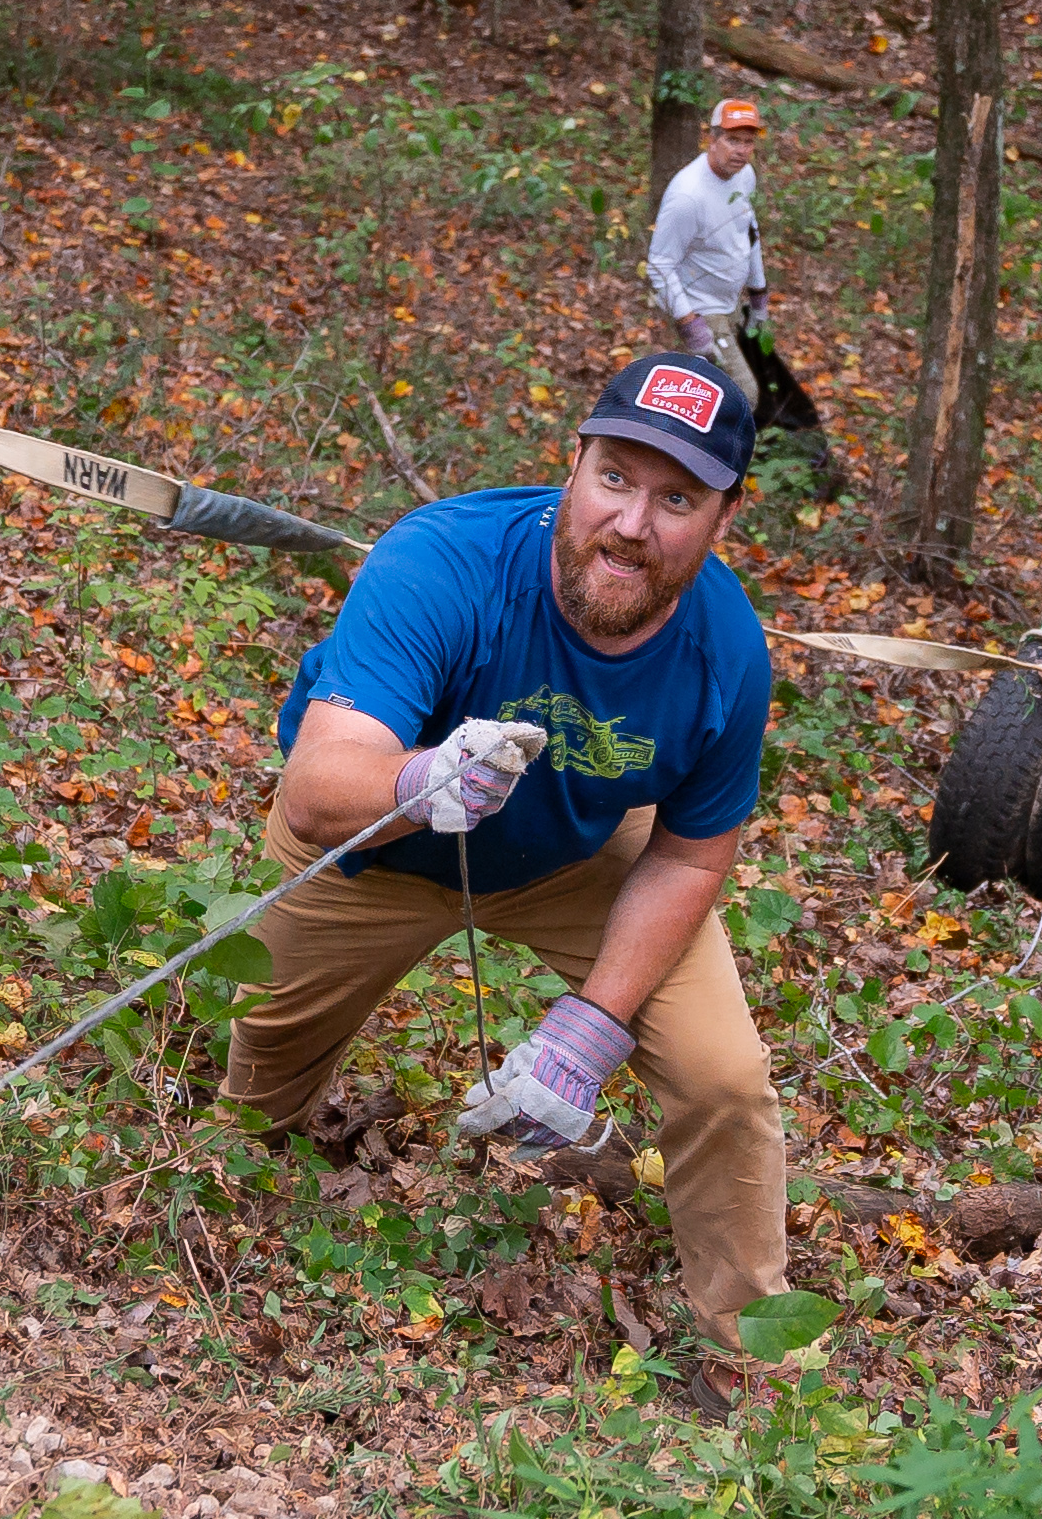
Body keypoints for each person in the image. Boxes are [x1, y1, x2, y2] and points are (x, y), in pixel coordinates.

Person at [223, 355, 788, 1390]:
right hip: (381, 844)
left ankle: (751, 1361)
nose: (633, 523)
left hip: (576, 853)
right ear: (573, 466)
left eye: (677, 500)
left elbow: (693, 849)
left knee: (726, 1078)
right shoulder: (445, 559)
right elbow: (316, 784)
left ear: (723, 518)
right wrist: (420, 775)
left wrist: (594, 1026)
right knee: (243, 1095)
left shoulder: (729, 651)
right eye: (616, 477)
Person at [643, 95, 767, 401]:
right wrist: (690, 324)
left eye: (748, 142)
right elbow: (659, 264)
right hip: (700, 307)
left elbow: (747, 230)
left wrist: (758, 292)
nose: (741, 151)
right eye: (732, 140)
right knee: (742, 396)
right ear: (710, 139)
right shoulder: (688, 196)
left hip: (730, 302)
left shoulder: (744, 176)